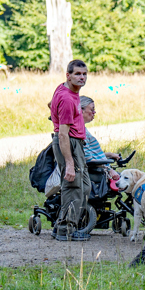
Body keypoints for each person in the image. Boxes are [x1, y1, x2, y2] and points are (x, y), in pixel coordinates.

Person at [50, 60, 91, 241]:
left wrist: (55, 114)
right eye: (77, 74)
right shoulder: (67, 98)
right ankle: (65, 229)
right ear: (68, 75)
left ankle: (64, 225)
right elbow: (63, 135)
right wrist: (69, 163)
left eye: (84, 74)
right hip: (70, 143)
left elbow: (51, 103)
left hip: (74, 142)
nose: (82, 77)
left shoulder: (66, 90)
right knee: (73, 186)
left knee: (84, 186)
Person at [79, 96, 121, 181]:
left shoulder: (82, 128)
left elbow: (89, 154)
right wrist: (109, 170)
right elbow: (89, 160)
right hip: (98, 172)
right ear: (81, 110)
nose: (94, 112)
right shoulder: (80, 131)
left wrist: (109, 155)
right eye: (92, 109)